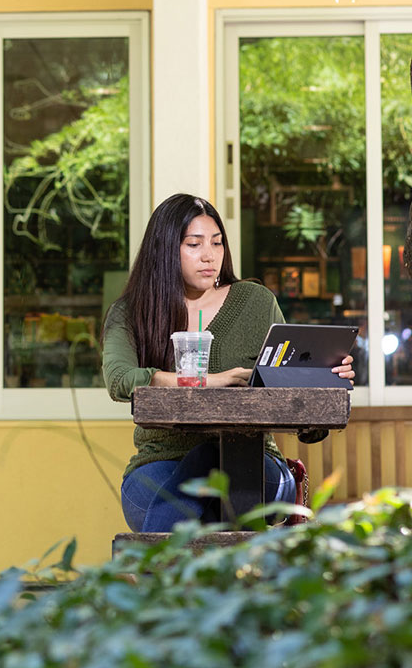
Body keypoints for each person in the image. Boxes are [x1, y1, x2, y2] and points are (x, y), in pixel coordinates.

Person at [102, 194, 354, 532]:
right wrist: (210, 380)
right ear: (163, 250)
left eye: (217, 243)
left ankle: (156, 570)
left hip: (256, 465)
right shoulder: (132, 312)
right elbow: (119, 378)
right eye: (194, 244)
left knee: (216, 460)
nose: (210, 256)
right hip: (160, 465)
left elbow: (301, 409)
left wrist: (324, 381)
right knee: (211, 476)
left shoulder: (256, 302)